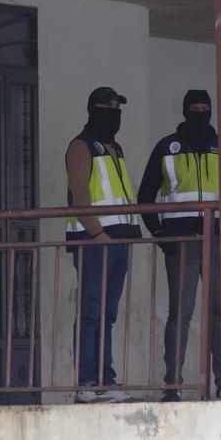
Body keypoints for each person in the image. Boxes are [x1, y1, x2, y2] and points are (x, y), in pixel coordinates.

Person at [137, 89, 221, 401]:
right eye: (195, 108)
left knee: (219, 315)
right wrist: (159, 234)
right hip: (181, 243)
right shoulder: (166, 147)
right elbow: (145, 197)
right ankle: (172, 385)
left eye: (205, 108)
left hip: (218, 241)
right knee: (180, 314)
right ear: (185, 111)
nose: (200, 113)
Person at [65, 86, 141, 403]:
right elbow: (80, 195)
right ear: (95, 109)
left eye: (118, 107)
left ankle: (105, 381)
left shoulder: (115, 148)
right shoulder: (82, 147)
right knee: (91, 313)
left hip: (119, 243)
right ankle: (86, 383)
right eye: (110, 106)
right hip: (95, 242)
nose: (115, 112)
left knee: (107, 316)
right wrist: (99, 234)